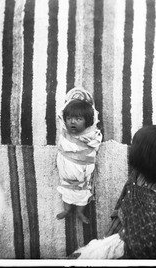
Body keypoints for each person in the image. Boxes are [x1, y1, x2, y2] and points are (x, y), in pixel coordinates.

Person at [70, 125, 156, 258]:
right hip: (122, 239)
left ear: (146, 154)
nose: (132, 148)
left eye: (135, 145)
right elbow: (123, 210)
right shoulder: (138, 176)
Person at [56, 87, 102, 224]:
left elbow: (94, 123)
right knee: (66, 196)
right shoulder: (65, 132)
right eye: (69, 118)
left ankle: (79, 212)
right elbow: (61, 114)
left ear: (88, 122)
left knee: (82, 199)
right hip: (66, 178)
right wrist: (73, 98)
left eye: (78, 119)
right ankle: (67, 209)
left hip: (82, 180)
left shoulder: (91, 136)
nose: (72, 122)